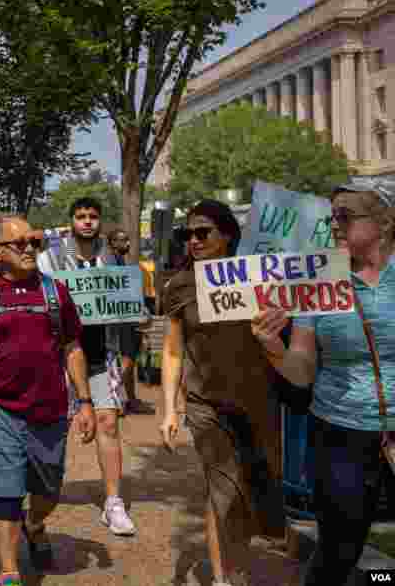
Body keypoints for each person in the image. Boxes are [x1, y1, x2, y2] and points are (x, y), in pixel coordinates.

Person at [251, 181, 395, 586]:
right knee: (337, 551)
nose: (334, 224)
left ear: (383, 223)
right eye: (332, 216)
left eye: (345, 216)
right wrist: (270, 346)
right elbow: (302, 370)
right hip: (339, 435)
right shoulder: (320, 282)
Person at [0, 215, 96, 586]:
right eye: (19, 244)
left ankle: (35, 525)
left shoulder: (56, 293)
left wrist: (85, 401)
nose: (30, 250)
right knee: (7, 492)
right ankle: (8, 571)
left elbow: (72, 346)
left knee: (48, 491)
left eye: (34, 242)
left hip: (49, 410)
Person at [160, 199, 286, 586]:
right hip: (206, 406)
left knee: (257, 485)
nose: (194, 240)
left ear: (227, 234)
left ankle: (241, 566)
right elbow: (171, 349)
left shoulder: (260, 277)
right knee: (223, 488)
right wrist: (169, 409)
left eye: (203, 233)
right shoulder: (180, 285)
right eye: (188, 234)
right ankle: (221, 578)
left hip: (259, 402)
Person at [36, 198, 137, 536]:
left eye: (93, 216)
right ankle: (37, 503)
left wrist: (127, 356)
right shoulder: (49, 260)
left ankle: (113, 503)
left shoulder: (114, 259)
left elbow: (127, 311)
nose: (87, 222)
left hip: (102, 353)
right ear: (71, 221)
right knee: (53, 429)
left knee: (108, 424)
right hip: (59, 357)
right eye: (80, 216)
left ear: (100, 222)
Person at [106, 227, 149, 413]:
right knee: (128, 359)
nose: (128, 244)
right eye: (123, 240)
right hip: (122, 318)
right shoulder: (110, 264)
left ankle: (131, 399)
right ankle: (111, 397)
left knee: (129, 358)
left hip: (128, 316)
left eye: (127, 239)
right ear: (113, 243)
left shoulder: (121, 262)